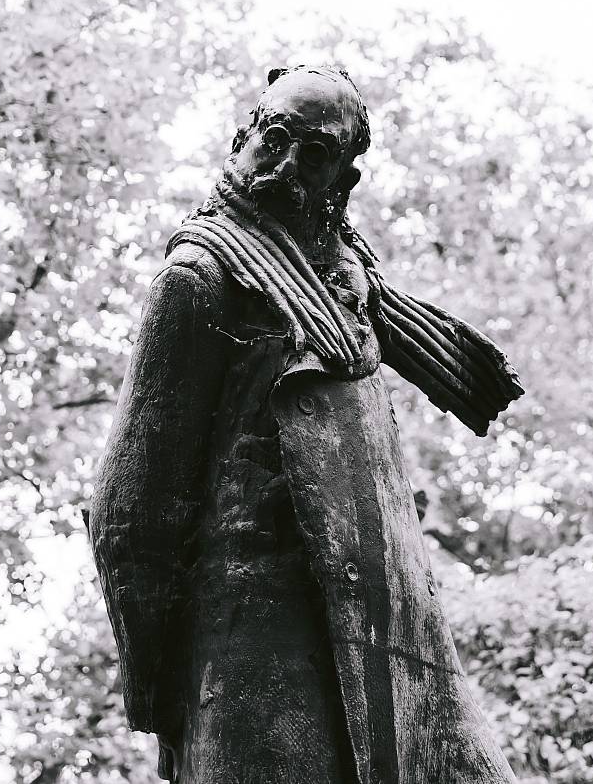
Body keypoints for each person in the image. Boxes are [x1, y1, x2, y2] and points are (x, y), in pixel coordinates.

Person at [88, 65, 522, 783]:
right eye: (275, 139)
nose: (285, 166)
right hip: (255, 670)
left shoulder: (354, 285)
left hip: (392, 653)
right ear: (243, 136)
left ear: (341, 183)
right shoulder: (197, 281)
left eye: (314, 155)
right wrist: (159, 692)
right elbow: (130, 522)